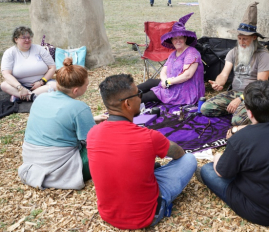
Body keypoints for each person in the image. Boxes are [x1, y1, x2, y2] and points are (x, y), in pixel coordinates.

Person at [87, 74, 197, 230]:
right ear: (127, 103)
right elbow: (179, 154)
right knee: (189, 160)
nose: (141, 97)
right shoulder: (149, 137)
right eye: (139, 94)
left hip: (108, 214)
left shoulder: (92, 133)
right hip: (149, 215)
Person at [197, 80, 269, 226]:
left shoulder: (241, 139)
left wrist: (217, 156)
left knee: (207, 170)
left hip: (261, 211)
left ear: (248, 112)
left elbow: (221, 172)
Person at [18, 57, 108, 190]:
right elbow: (93, 141)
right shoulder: (79, 107)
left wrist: (91, 119)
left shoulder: (41, 98)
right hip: (60, 167)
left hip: (31, 160)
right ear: (76, 90)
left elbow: (56, 121)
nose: (88, 87)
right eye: (87, 85)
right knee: (108, 146)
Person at [201, 2, 269, 126]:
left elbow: (261, 85)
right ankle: (240, 111)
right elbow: (224, 74)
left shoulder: (263, 55)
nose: (241, 42)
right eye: (239, 38)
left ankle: (246, 112)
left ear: (254, 38)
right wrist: (218, 83)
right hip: (235, 92)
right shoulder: (234, 52)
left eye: (245, 39)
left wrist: (240, 99)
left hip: (254, 96)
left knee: (237, 121)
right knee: (206, 108)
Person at [137, 13, 205, 105]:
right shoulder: (173, 53)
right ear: (171, 40)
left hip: (186, 89)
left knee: (148, 95)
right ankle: (124, 94)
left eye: (180, 38)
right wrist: (165, 81)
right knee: (149, 82)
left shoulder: (192, 53)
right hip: (173, 83)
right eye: (175, 38)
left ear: (185, 39)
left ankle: (128, 104)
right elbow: (163, 71)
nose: (177, 41)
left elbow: (187, 75)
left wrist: (168, 82)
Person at [1, 26, 56, 102]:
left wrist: (41, 82)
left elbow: (52, 67)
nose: (27, 40)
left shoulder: (39, 49)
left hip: (42, 83)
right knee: (4, 85)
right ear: (16, 39)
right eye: (23, 38)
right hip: (20, 85)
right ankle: (33, 96)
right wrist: (20, 87)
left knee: (56, 86)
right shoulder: (9, 53)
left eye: (29, 37)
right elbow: (6, 74)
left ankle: (24, 96)